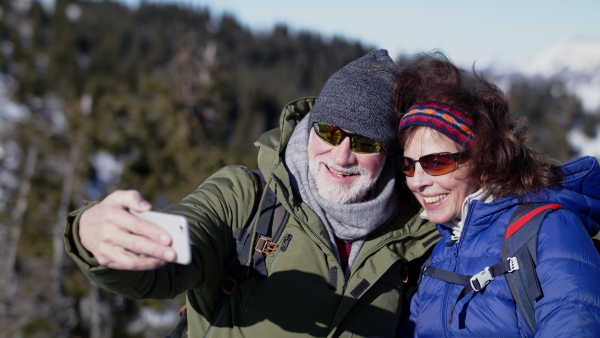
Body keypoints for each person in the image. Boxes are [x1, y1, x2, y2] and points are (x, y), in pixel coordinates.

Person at [64, 49, 439, 337]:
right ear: (310, 127)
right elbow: (176, 246)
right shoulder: (247, 200)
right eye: (328, 132)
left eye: (363, 142)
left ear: (389, 152)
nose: (341, 155)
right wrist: (92, 233)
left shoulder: (417, 237)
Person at [393, 52, 600, 337]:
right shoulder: (437, 250)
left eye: (436, 162)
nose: (417, 181)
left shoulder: (550, 231)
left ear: (481, 158)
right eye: (408, 164)